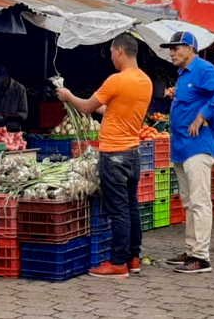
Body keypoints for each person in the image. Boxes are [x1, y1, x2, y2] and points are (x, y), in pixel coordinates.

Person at [56, 33, 152, 279]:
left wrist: (68, 96)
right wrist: (88, 103)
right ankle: (133, 257)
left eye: (111, 52)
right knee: (131, 207)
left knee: (118, 210)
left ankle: (118, 263)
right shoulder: (145, 82)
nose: (110, 57)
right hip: (132, 153)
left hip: (114, 153)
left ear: (119, 50)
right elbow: (112, 109)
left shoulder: (116, 80)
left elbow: (87, 107)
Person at [160, 32, 214, 274]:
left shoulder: (202, 68)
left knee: (200, 201)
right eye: (170, 49)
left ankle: (202, 257)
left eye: (176, 48)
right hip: (181, 147)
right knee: (189, 201)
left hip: (197, 146)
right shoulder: (183, 74)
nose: (171, 52)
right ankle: (191, 250)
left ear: (190, 48)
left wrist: (203, 114)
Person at [0, 67, 28, 131]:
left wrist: (8, 116)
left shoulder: (19, 89)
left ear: (6, 78)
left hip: (13, 129)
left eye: (1, 82)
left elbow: (23, 114)